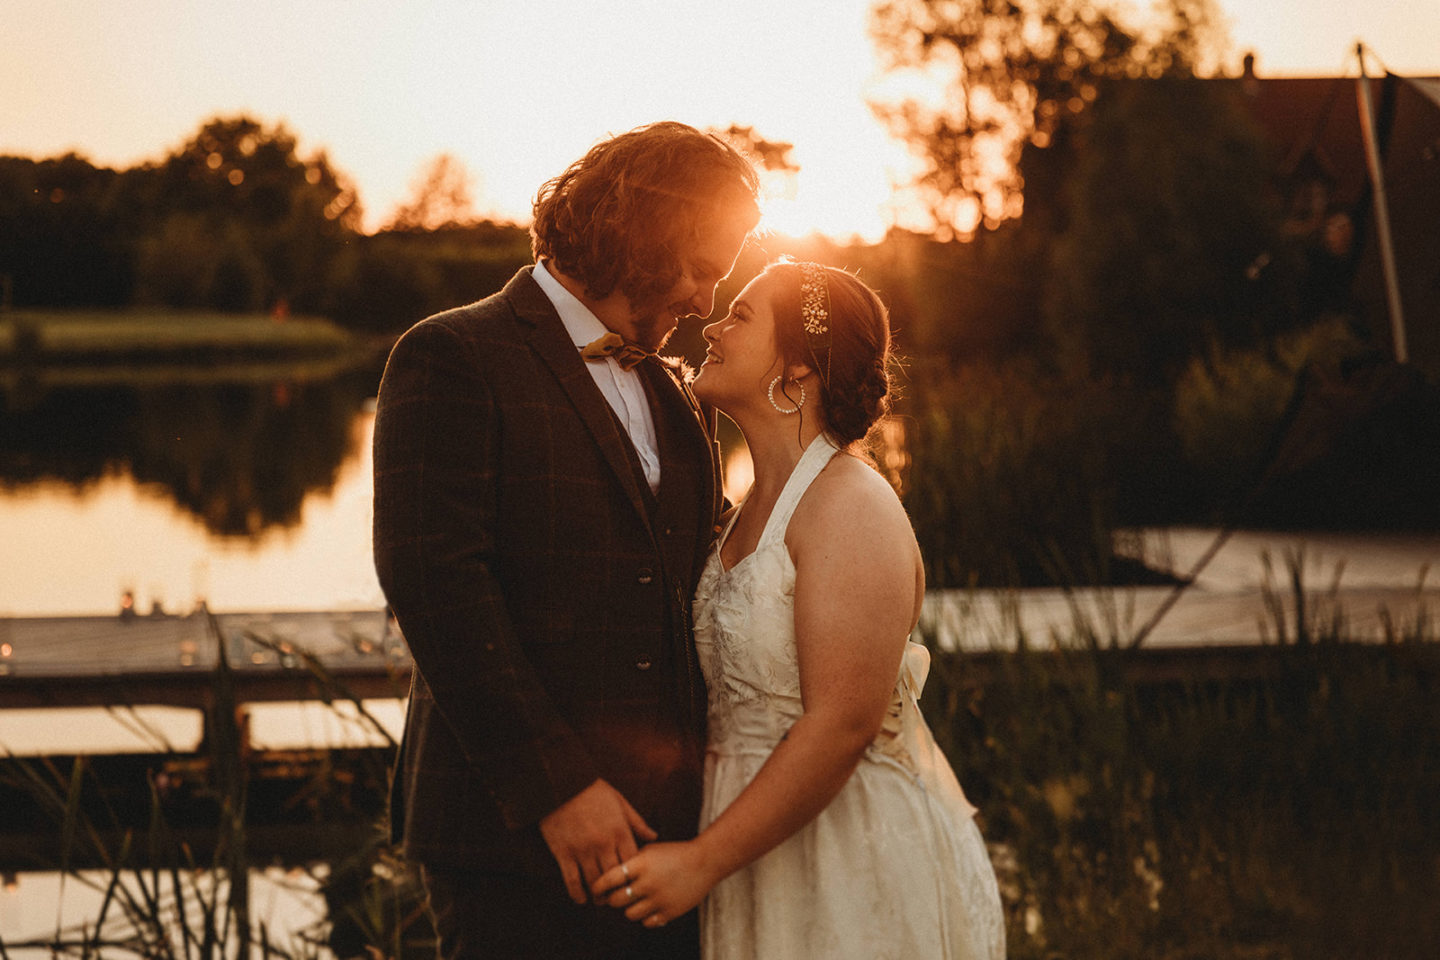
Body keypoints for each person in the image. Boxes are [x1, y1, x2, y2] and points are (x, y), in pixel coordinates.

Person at [372, 121, 760, 959]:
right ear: (644, 235)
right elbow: (436, 587)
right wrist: (559, 789)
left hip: (669, 839)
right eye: (701, 270)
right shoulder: (452, 355)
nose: (703, 302)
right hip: (510, 838)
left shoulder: (673, 392)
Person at [592, 260, 1007, 959]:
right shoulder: (736, 515)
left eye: (743, 316)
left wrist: (701, 862)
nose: (713, 326)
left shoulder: (850, 504)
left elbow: (843, 724)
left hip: (845, 847)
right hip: (752, 842)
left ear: (798, 371)